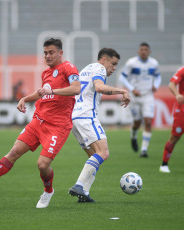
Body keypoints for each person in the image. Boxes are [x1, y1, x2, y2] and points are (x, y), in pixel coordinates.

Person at [0, 38, 81, 208]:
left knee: (42, 165)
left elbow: (76, 88)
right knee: (14, 152)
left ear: (60, 53)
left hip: (58, 127)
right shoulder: (46, 73)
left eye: (51, 52)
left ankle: (48, 191)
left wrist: (53, 90)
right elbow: (43, 93)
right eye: (45, 53)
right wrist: (25, 98)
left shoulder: (68, 68)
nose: (47, 56)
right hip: (38, 122)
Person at [68, 48, 130, 202]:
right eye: (113, 63)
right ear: (103, 59)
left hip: (74, 117)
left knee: (93, 156)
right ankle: (79, 185)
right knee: (104, 152)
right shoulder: (99, 68)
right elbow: (99, 87)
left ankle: (84, 193)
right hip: (87, 115)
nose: (114, 68)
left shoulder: (86, 69)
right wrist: (122, 91)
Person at [119, 42, 161, 157]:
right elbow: (122, 77)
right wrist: (132, 89)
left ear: (149, 51)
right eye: (141, 50)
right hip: (135, 97)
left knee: (148, 122)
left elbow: (158, 76)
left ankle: (144, 150)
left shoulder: (154, 63)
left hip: (148, 96)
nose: (143, 51)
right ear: (138, 51)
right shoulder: (132, 63)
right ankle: (133, 136)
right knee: (137, 122)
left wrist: (156, 85)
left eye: (146, 50)